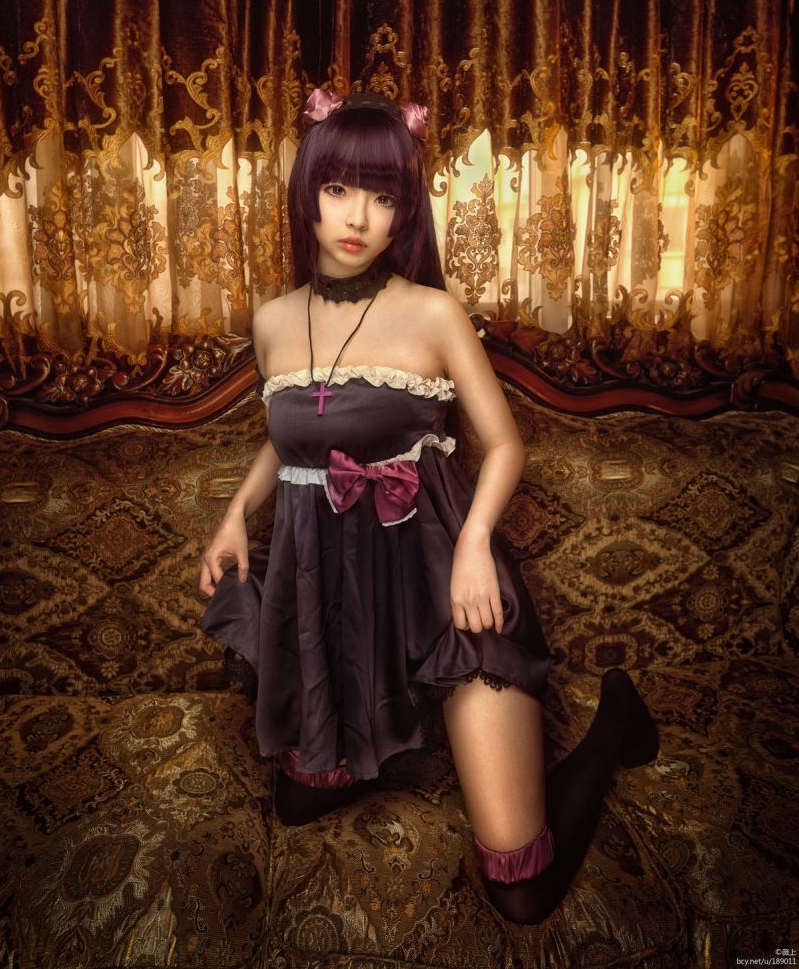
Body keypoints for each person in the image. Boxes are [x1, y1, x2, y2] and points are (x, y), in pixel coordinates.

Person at [198, 88, 659, 925]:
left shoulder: (433, 313)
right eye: (338, 188)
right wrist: (236, 513)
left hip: (444, 581)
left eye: (382, 196)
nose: (357, 217)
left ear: (405, 210)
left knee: (520, 889)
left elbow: (506, 444)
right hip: (336, 600)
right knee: (296, 803)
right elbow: (296, 436)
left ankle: (616, 719)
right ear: (306, 193)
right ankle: (394, 721)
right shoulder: (272, 322)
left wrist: (477, 543)